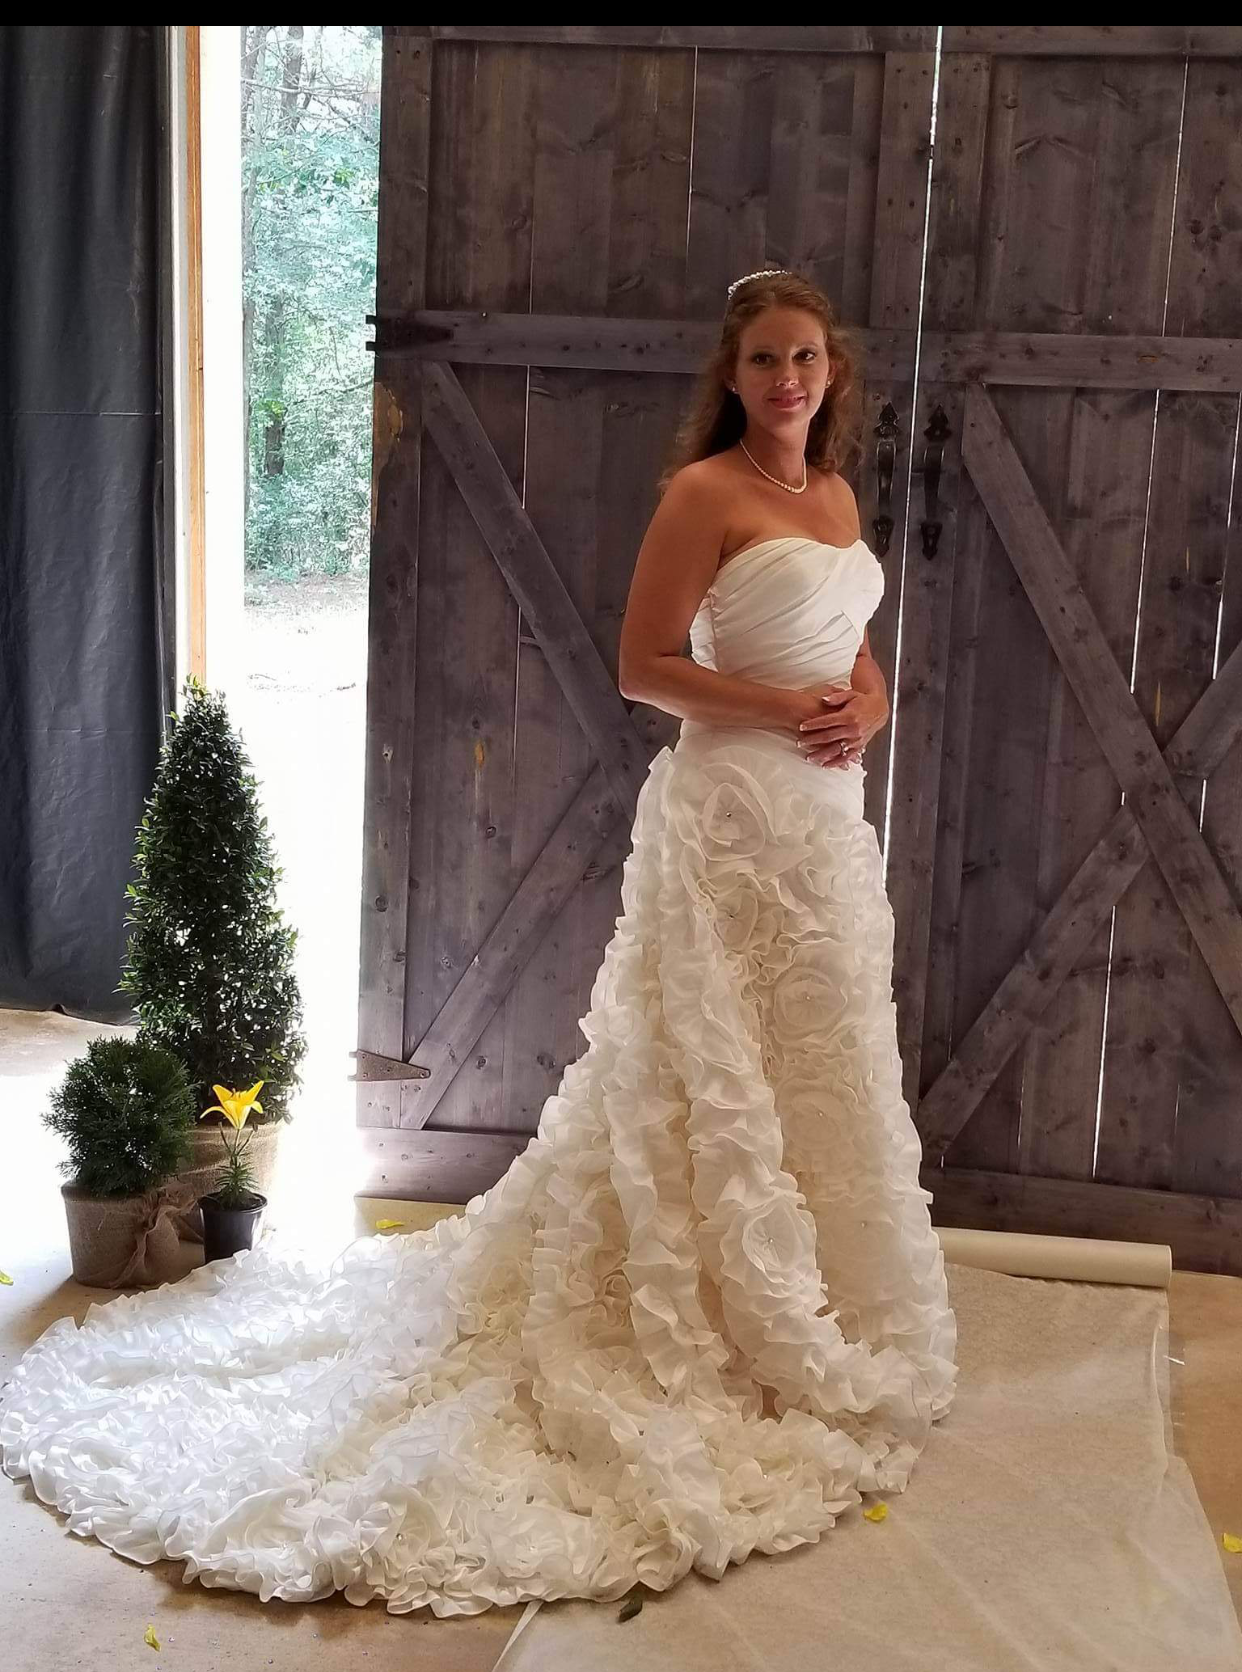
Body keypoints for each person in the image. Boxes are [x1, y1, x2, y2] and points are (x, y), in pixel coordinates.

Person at [0, 267, 957, 1618]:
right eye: (762, 362)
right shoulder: (704, 496)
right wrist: (772, 701)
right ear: (731, 378)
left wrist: (862, 706)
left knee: (815, 1050)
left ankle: (810, 1291)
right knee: (707, 1062)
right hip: (729, 811)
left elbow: (857, 657)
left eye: (804, 359)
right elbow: (643, 666)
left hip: (817, 820)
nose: (787, 380)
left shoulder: (837, 498)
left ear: (831, 372)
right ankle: (696, 1301)